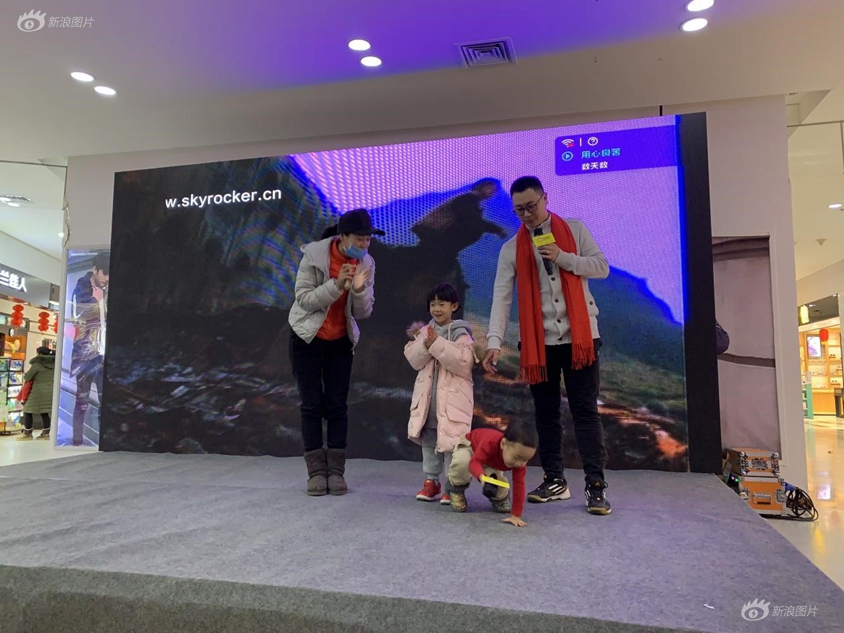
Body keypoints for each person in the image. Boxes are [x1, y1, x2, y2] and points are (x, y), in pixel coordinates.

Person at [482, 176, 612, 516]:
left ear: (545, 199)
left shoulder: (575, 229)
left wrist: (563, 256)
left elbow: (601, 268)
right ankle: (555, 480)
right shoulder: (511, 249)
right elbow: (501, 298)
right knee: (546, 414)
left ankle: (595, 486)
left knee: (585, 412)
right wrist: (494, 342)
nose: (527, 215)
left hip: (581, 339)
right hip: (540, 344)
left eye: (531, 206)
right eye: (519, 210)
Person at [288, 209, 381, 496]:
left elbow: (363, 312)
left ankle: (336, 472)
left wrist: (359, 290)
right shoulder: (314, 257)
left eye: (368, 239)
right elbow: (304, 300)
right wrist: (336, 284)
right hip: (308, 337)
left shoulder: (367, 262)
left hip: (340, 340)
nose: (364, 244)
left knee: (337, 406)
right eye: (359, 239)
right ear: (342, 237)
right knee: (312, 405)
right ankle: (316, 472)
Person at [404, 283, 475, 505]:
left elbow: (463, 363)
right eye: (433, 304)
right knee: (429, 443)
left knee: (452, 445)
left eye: (442, 304)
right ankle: (431, 481)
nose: (436, 309)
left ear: (453, 306)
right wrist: (426, 343)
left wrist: (436, 343)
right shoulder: (424, 332)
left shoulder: (462, 334)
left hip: (452, 404)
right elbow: (414, 360)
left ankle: (451, 485)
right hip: (429, 405)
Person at [447, 422, 538, 527]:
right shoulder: (489, 442)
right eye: (516, 457)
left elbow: (519, 485)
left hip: (490, 460)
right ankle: (456, 489)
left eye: (525, 460)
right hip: (470, 447)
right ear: (503, 444)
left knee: (495, 482)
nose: (520, 463)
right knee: (462, 463)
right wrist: (481, 476)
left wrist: (516, 515)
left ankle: (500, 498)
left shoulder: (518, 461)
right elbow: (474, 462)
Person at [71, 251, 109, 447]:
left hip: (103, 356)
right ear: (95, 270)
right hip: (85, 357)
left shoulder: (108, 289)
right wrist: (103, 301)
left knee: (106, 404)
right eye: (105, 273)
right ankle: (76, 441)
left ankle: (105, 443)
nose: (107, 279)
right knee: (81, 403)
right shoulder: (81, 287)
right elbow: (82, 313)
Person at [18, 347, 56, 441]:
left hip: (38, 390)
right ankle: (46, 433)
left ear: (40, 354)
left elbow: (28, 376)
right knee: (44, 411)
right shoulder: (54, 364)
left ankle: (28, 433)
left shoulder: (37, 364)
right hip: (50, 390)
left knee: (27, 409)